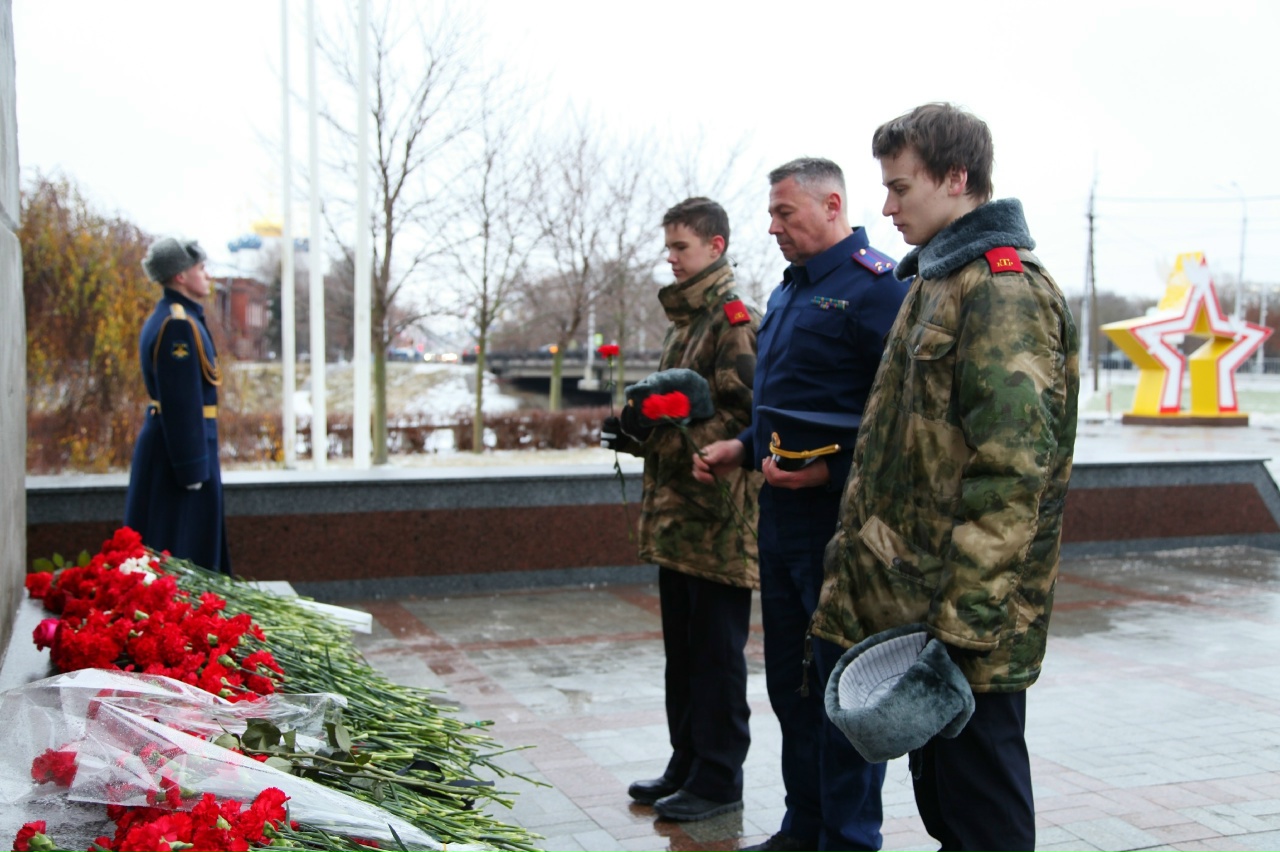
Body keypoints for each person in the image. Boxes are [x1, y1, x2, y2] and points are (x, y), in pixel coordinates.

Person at [811, 103, 1080, 852]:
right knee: (949, 813)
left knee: (983, 815)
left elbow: (1010, 477)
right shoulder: (941, 279)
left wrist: (958, 637)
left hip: (969, 631)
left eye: (901, 188)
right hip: (925, 613)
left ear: (957, 179)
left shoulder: (1001, 290)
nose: (888, 207)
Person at [694, 159, 908, 852]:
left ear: (833, 205)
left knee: (840, 687)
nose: (772, 225)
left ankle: (848, 839)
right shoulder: (789, 292)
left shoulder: (879, 291)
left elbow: (902, 421)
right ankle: (804, 825)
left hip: (838, 526)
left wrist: (831, 473)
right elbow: (787, 402)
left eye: (785, 212)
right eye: (773, 213)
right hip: (779, 518)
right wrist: (742, 444)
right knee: (791, 684)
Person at [601, 197, 761, 822]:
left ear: (715, 248)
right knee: (683, 652)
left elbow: (748, 420)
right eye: (668, 247)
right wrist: (637, 426)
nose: (670, 258)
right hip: (676, 514)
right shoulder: (685, 320)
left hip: (717, 518)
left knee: (716, 656)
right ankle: (687, 761)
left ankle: (719, 777)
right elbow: (678, 411)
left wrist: (687, 412)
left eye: (681, 248)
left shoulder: (732, 319)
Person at [124, 237, 232, 576]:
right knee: (181, 552)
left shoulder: (177, 317)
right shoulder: (178, 324)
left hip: (180, 447)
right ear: (180, 276)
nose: (207, 276)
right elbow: (182, 402)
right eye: (200, 269)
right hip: (182, 455)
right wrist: (191, 469)